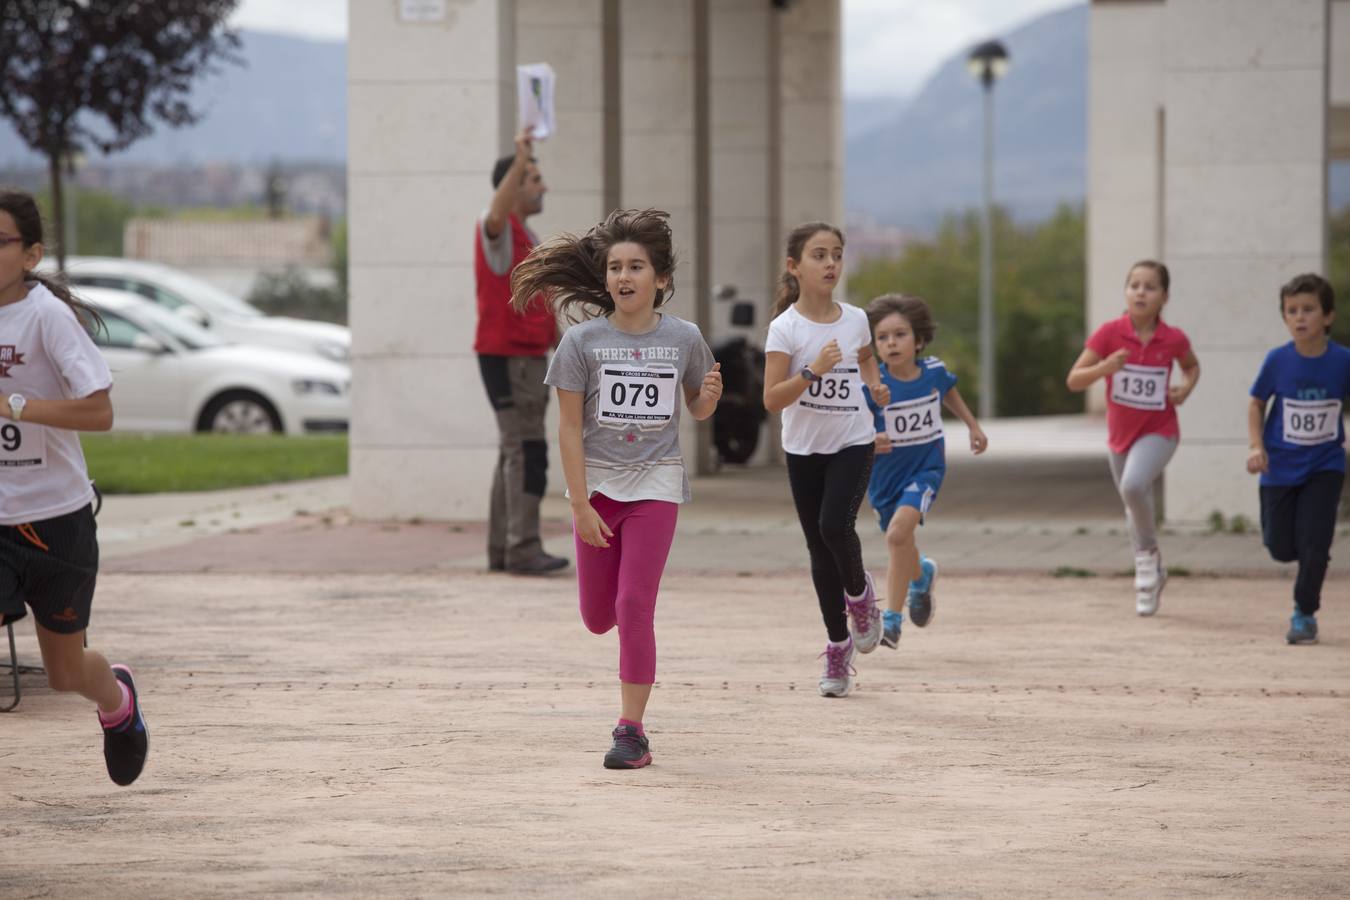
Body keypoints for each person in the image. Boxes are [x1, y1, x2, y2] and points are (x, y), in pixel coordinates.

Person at [511, 208, 721, 769]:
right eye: (614, 267)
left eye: (636, 266)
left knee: (633, 605)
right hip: (598, 491)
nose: (624, 277)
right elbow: (570, 428)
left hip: (656, 485)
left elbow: (697, 407)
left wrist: (708, 400)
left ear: (662, 279)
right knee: (597, 615)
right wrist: (579, 504)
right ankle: (630, 711)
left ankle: (631, 731)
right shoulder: (581, 342)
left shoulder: (685, 338)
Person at [0, 188, 148, 785]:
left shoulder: (46, 317)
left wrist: (14, 405)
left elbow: (99, 413)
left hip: (57, 522)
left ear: (31, 254)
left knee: (64, 673)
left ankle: (118, 704)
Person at [762, 223, 890, 698]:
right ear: (794, 267)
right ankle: (838, 647)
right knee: (818, 549)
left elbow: (866, 359)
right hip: (803, 448)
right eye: (819, 255)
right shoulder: (785, 328)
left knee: (836, 526)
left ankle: (860, 598)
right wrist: (813, 371)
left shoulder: (856, 317)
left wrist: (874, 385)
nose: (831, 264)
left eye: (836, 254)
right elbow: (773, 399)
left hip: (853, 440)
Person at [1067, 260, 1200, 616]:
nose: (1141, 292)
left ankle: (1146, 563)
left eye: (1150, 286)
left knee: (1133, 485)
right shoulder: (1110, 334)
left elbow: (1191, 365)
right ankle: (1154, 567)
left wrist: (1184, 388)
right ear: (1126, 293)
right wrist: (1105, 367)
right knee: (1133, 497)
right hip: (1119, 437)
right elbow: (1074, 379)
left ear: (1164, 297)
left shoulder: (1173, 339)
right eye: (1134, 285)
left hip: (1160, 431)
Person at [864, 294, 987, 649]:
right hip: (884, 478)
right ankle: (922, 575)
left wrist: (973, 426)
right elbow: (856, 427)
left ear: (918, 340)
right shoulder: (875, 387)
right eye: (882, 337)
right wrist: (872, 438)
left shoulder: (932, 371)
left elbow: (948, 391)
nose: (891, 343)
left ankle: (891, 619)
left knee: (896, 537)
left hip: (926, 469)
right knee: (901, 540)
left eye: (900, 334)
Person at [476, 127, 568, 576]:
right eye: (533, 178)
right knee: (527, 450)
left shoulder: (524, 235)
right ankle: (523, 547)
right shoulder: (498, 230)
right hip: (509, 358)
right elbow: (494, 210)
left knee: (512, 450)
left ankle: (503, 547)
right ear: (511, 187)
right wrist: (520, 157)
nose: (542, 185)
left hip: (525, 358)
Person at [1246, 273, 1349, 645]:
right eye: (1292, 311)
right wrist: (1256, 446)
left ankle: (1304, 614)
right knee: (1281, 547)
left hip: (1325, 465)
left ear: (1328, 316)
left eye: (1308, 309)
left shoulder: (1342, 361)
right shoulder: (1278, 361)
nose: (1300, 317)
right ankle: (1296, 554)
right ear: (1285, 317)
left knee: (1314, 544)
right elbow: (1257, 404)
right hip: (1279, 468)